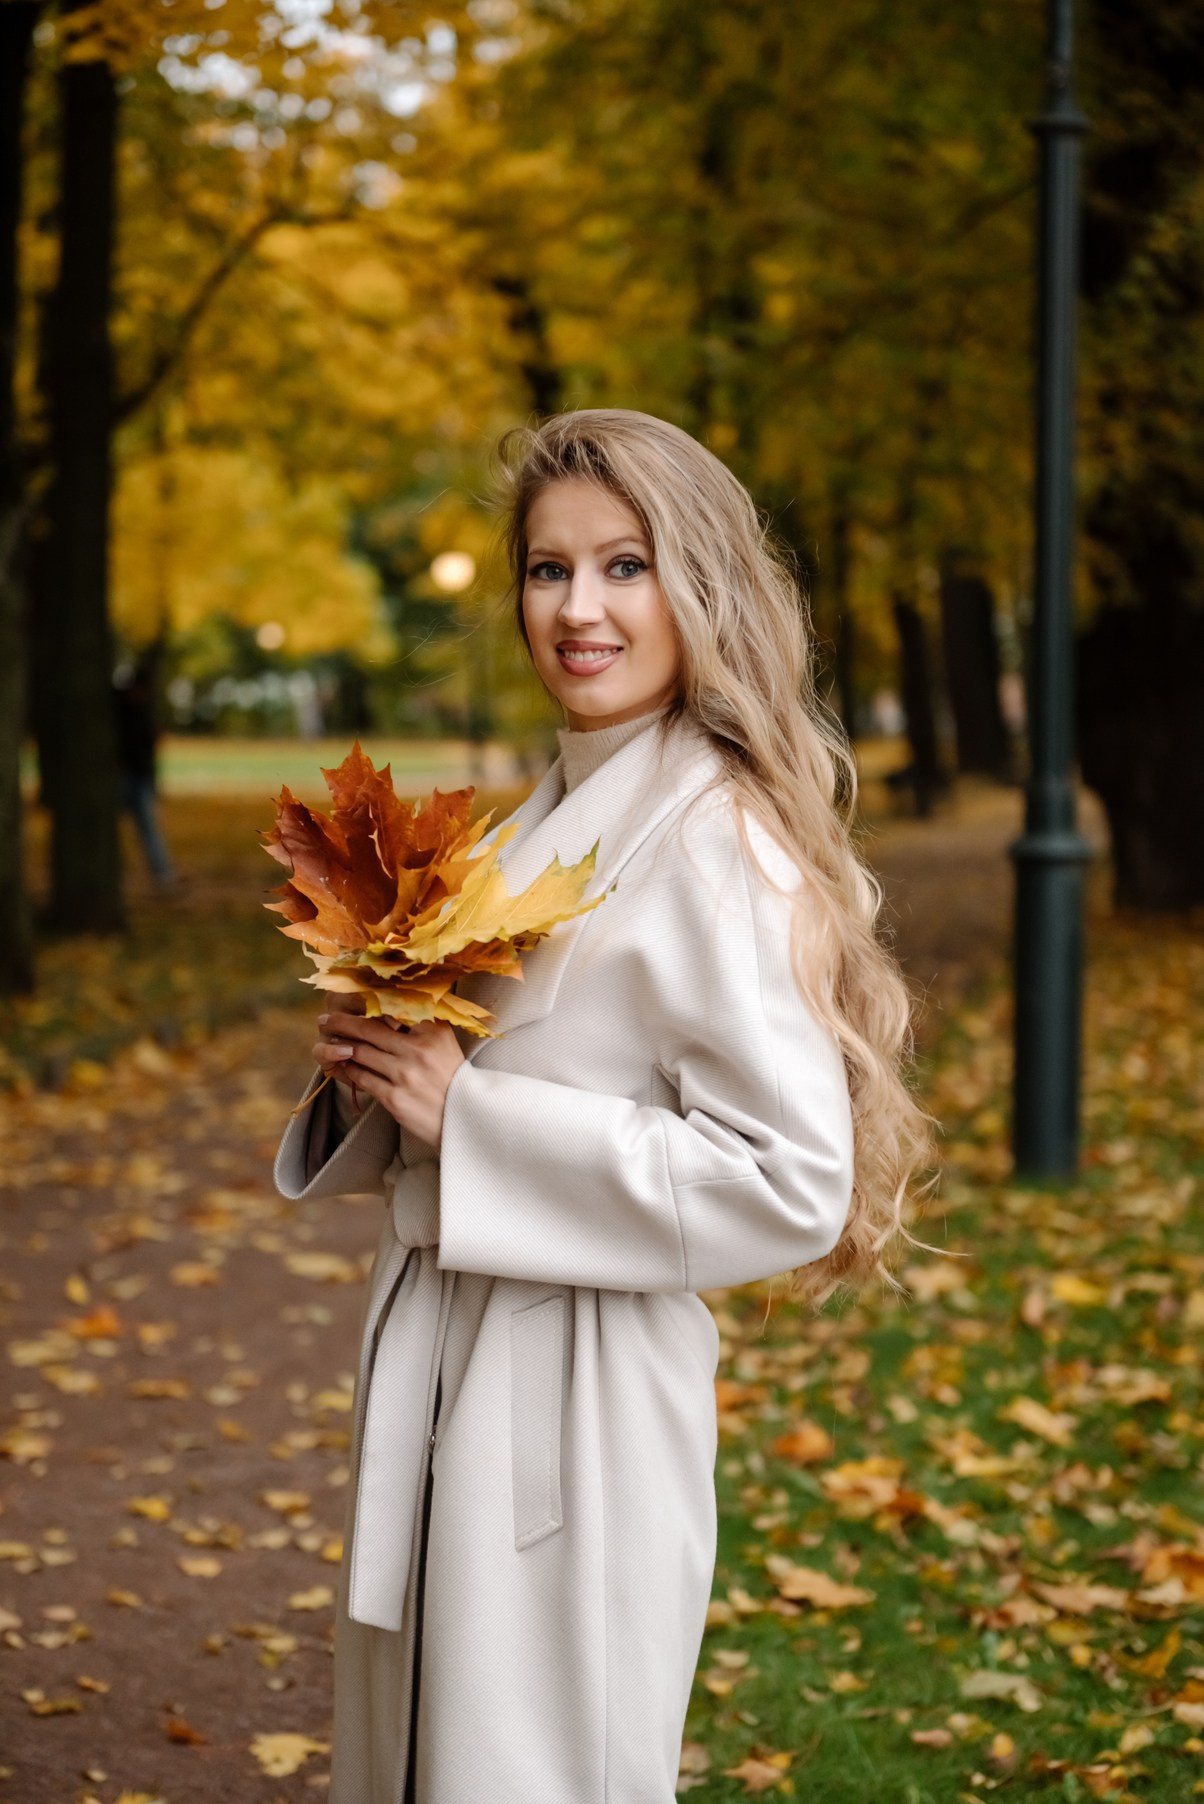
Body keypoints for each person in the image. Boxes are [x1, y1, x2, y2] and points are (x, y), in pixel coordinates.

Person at [274, 410, 930, 1804]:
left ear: (699, 584)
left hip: (579, 1398)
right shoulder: (541, 821)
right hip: (453, 1351)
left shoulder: (711, 833)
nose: (580, 609)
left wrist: (474, 1120)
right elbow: (508, 1075)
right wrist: (380, 1074)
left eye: (625, 566)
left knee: (531, 1770)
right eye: (549, 569)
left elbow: (788, 1181)